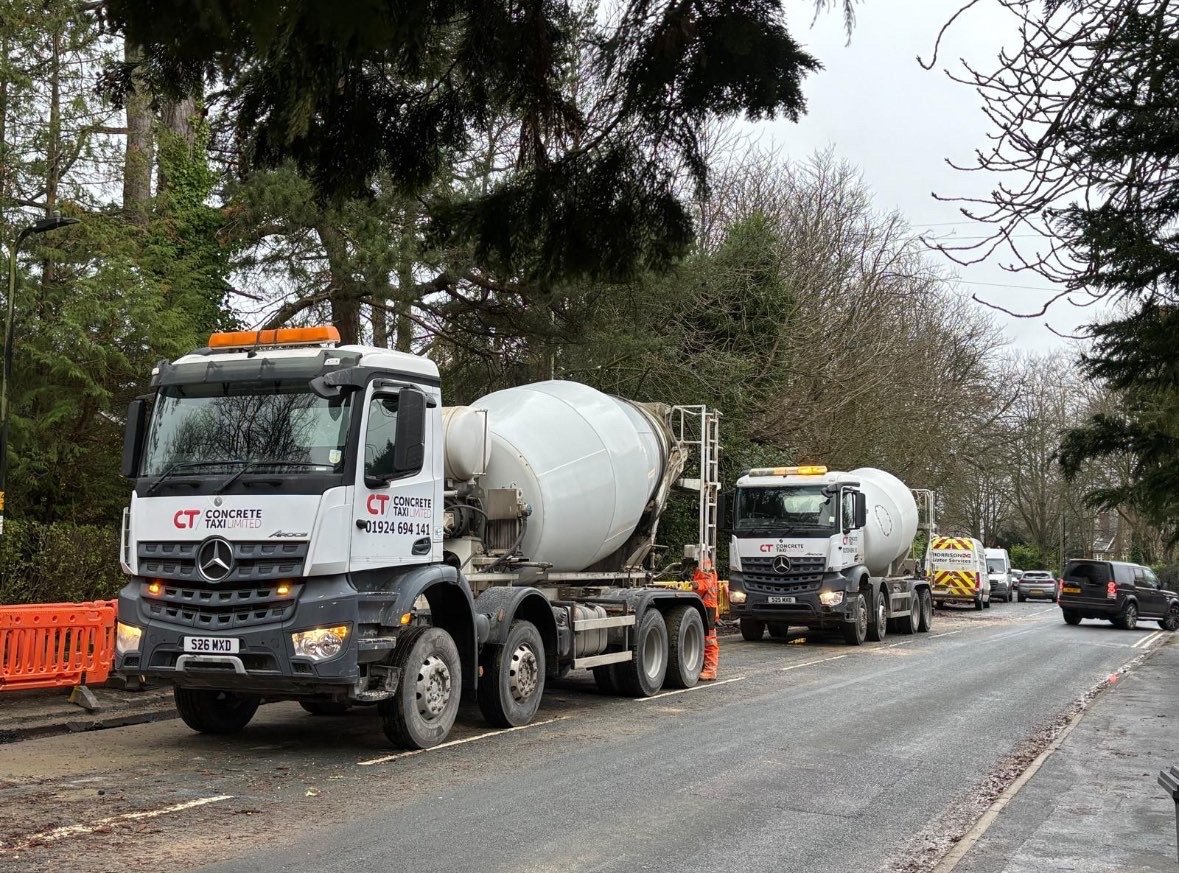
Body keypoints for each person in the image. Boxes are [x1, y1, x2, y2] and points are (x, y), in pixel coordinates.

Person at [691, 559, 720, 681]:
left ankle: (710, 670)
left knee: (709, 640)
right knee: (706, 639)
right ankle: (708, 668)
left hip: (709, 607)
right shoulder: (703, 566)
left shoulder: (705, 565)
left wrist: (696, 585)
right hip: (706, 606)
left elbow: (706, 583)